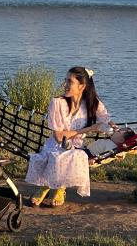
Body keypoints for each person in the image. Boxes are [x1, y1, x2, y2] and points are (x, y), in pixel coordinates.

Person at [25, 66, 111, 207]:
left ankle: (60, 188)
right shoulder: (57, 103)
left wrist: (122, 134)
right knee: (58, 155)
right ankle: (45, 187)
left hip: (75, 146)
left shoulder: (92, 102)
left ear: (82, 86)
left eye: (70, 82)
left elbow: (106, 120)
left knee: (78, 155)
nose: (65, 84)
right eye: (65, 80)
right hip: (55, 144)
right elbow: (59, 136)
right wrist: (90, 129)